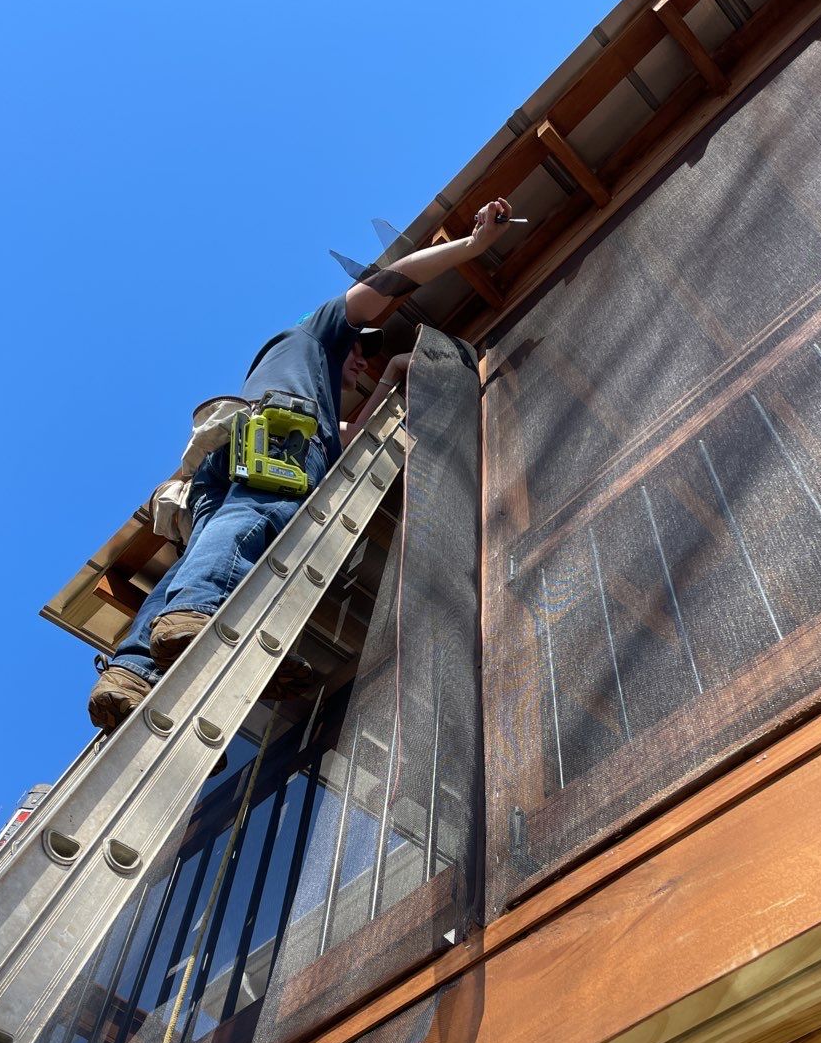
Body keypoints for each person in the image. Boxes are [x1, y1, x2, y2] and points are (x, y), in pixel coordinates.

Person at [87, 197, 514, 731]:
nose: (363, 361)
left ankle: (130, 672)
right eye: (360, 350)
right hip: (278, 439)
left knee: (207, 547)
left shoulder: (303, 386)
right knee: (260, 516)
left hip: (230, 456)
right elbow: (389, 283)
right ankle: (197, 614)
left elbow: (347, 439)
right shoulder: (313, 335)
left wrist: (392, 380)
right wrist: (473, 246)